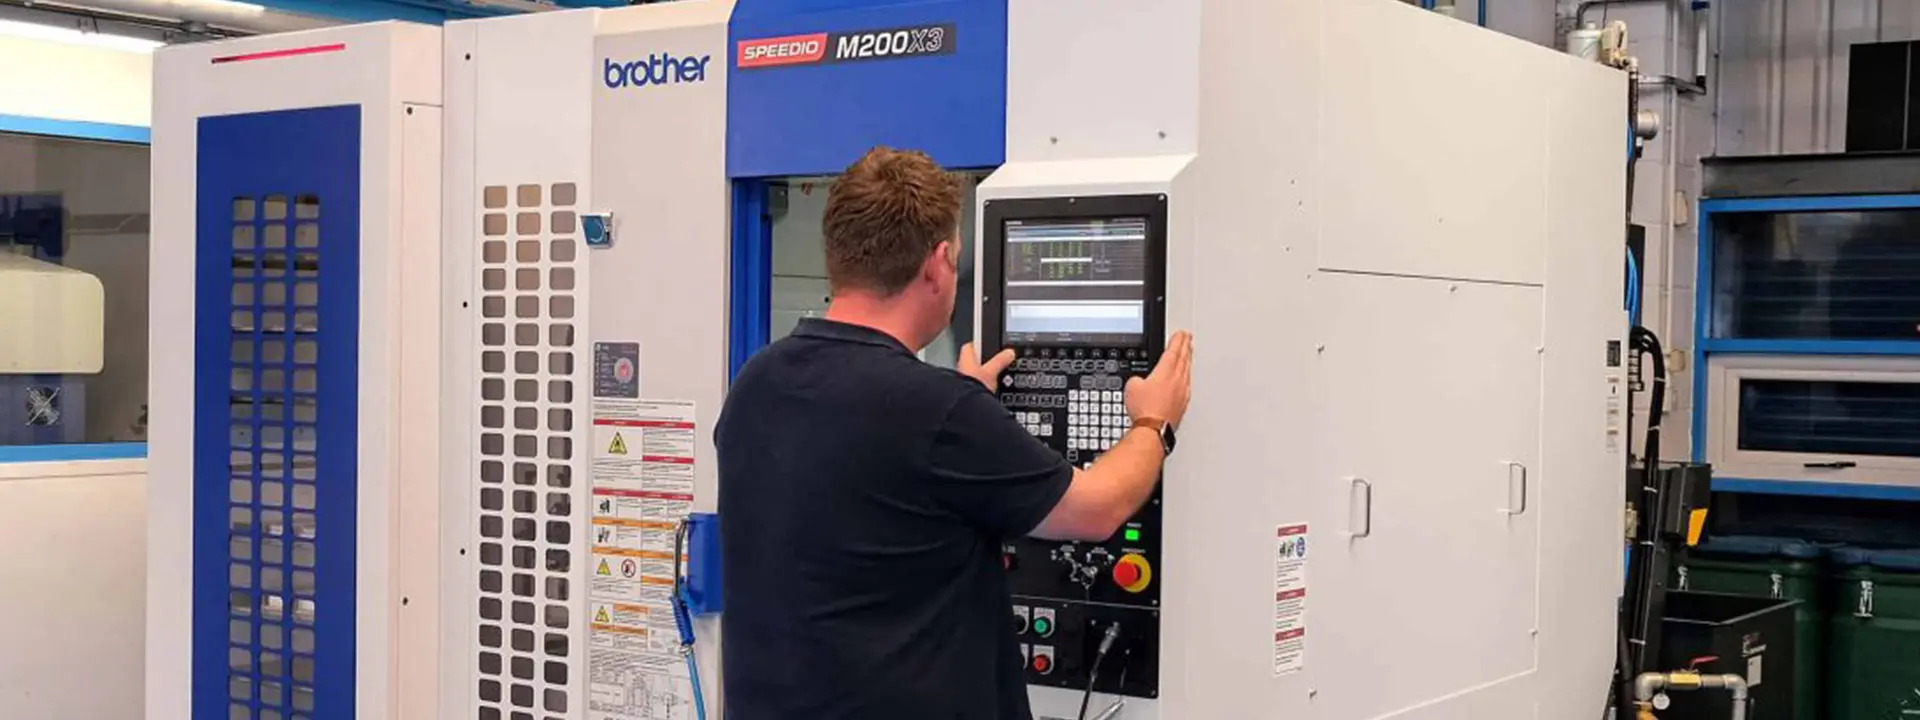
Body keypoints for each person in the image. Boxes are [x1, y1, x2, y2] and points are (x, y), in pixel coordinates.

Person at [716, 146, 1193, 720]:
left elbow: (868, 486)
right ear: (938, 261)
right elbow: (1096, 509)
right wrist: (1154, 422)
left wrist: (968, 414)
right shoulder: (936, 412)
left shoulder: (757, 384)